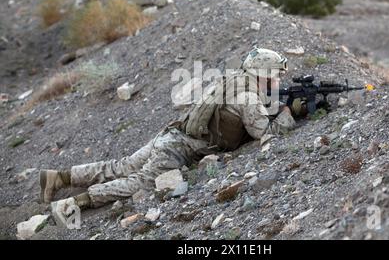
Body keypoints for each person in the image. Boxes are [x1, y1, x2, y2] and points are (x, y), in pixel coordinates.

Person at [39, 48, 296, 223]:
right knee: (140, 182)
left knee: (121, 166)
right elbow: (266, 133)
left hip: (171, 134)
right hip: (179, 148)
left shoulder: (233, 80)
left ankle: (58, 177)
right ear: (264, 75)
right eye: (277, 75)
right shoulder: (248, 97)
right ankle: (74, 203)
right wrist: (290, 112)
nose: (279, 80)